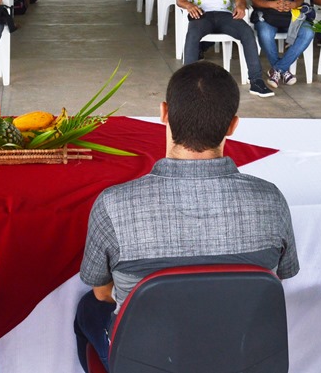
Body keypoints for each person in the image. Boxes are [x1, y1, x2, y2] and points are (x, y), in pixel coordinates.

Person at [74, 61, 298, 372]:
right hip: (240, 357)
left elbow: (101, 292)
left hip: (147, 360)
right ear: (233, 125)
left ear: (164, 113)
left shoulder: (114, 204)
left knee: (88, 308)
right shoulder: (271, 200)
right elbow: (279, 278)